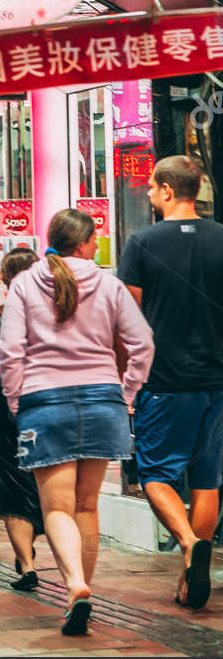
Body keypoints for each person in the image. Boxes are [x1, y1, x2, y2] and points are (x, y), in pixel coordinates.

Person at [0, 208, 152, 635]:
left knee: (57, 509)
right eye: (94, 238)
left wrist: (17, 401)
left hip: (44, 404)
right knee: (86, 505)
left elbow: (10, 351)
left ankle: (75, 585)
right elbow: (142, 342)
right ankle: (81, 593)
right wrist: (126, 393)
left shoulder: (25, 282)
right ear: (85, 243)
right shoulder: (109, 284)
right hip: (103, 402)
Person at [118, 155, 223, 610]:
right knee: (207, 480)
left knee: (155, 475)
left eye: (150, 186)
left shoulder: (142, 243)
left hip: (165, 380)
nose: (148, 193)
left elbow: (129, 319)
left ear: (165, 189)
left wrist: (127, 378)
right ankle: (188, 578)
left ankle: (188, 543)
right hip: (217, 379)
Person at [0, 248, 47, 590]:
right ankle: (37, 534)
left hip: (5, 415)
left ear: (2, 278)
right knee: (43, 483)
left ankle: (27, 564)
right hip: (47, 409)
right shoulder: (53, 317)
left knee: (11, 486)